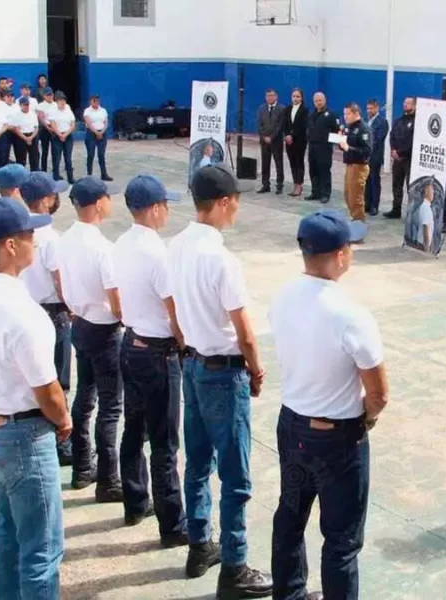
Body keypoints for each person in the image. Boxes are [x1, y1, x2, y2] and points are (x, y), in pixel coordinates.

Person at [269, 209, 389, 600]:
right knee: (341, 541)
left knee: (290, 517)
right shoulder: (350, 313)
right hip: (338, 440)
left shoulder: (283, 296)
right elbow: (378, 393)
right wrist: (367, 419)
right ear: (340, 255)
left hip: (292, 427)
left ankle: (288, 593)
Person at [167, 164, 272, 597]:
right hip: (222, 372)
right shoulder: (222, 259)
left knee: (197, 462)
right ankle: (235, 564)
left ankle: (199, 544)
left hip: (191, 364)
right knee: (235, 475)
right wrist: (257, 368)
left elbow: (172, 306)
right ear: (225, 202)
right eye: (235, 202)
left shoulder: (175, 246)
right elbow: (244, 330)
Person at [0, 198, 70, 598]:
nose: (36, 243)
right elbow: (48, 389)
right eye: (30, 236)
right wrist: (62, 420)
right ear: (10, 245)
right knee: (42, 551)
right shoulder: (22, 312)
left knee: (8, 535)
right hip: (23, 435)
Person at [114, 175, 189, 546]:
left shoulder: (121, 244)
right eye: (166, 204)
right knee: (164, 441)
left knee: (134, 427)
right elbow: (173, 310)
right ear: (155, 208)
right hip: (159, 353)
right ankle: (173, 525)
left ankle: (134, 501)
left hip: (131, 344)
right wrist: (184, 344)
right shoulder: (159, 252)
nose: (168, 211)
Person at [58, 176, 124, 501]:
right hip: (105, 329)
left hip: (80, 324)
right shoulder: (102, 248)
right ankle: (109, 479)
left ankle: (82, 467)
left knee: (85, 397)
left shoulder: (66, 239)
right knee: (111, 407)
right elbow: (116, 300)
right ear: (98, 203)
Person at [19, 172, 73, 467]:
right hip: (52, 313)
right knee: (57, 382)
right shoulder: (50, 236)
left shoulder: (18, 230)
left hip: (27, 308)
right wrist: (72, 306)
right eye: (53, 195)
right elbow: (59, 280)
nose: (56, 200)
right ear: (44, 201)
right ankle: (61, 446)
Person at [339, 103, 372, 225]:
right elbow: (345, 146)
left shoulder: (364, 129)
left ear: (356, 113)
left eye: (348, 114)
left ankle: (359, 223)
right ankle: (355, 219)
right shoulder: (349, 127)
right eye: (344, 114)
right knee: (348, 195)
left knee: (355, 197)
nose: (345, 117)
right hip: (349, 165)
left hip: (359, 166)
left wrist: (349, 148)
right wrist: (340, 140)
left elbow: (367, 151)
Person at [384, 97, 416, 219]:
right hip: (397, 160)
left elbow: (412, 141)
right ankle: (396, 209)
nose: (405, 105)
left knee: (410, 187)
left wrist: (401, 153)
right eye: (404, 103)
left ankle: (412, 213)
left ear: (414, 105)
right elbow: (392, 136)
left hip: (409, 160)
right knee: (396, 185)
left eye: (408, 103)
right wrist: (393, 150)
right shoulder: (399, 121)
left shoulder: (417, 122)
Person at [305, 92, 339, 204]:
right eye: (316, 101)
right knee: (313, 170)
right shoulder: (312, 115)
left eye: (320, 100)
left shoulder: (331, 115)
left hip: (324, 148)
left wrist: (331, 145)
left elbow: (337, 131)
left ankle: (325, 194)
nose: (318, 103)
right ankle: (315, 192)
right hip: (313, 147)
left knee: (324, 171)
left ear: (325, 100)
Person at [256, 89, 286, 195]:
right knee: (265, 163)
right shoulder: (261, 108)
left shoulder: (282, 109)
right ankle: (265, 184)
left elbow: (280, 126)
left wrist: (271, 137)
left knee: (278, 163)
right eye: (268, 96)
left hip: (276, 141)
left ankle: (279, 185)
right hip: (264, 141)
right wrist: (264, 136)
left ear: (276, 96)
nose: (270, 98)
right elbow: (259, 124)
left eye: (272, 95)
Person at [364, 99, 388, 216]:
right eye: (368, 108)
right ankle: (367, 203)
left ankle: (374, 205)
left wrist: (366, 141)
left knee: (374, 180)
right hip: (365, 156)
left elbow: (378, 139)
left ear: (377, 108)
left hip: (375, 156)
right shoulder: (365, 121)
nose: (369, 111)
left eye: (371, 108)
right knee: (366, 180)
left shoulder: (382, 122)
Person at [284, 88, 308, 198]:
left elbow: (302, 126)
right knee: (292, 162)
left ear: (301, 98)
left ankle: (299, 184)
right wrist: (287, 135)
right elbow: (285, 123)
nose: (296, 98)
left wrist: (292, 135)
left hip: (299, 140)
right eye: (294, 96)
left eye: (298, 96)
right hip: (289, 141)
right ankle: (294, 184)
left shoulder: (305, 110)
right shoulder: (287, 109)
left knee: (299, 162)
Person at [84, 94, 113, 181]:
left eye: (97, 100)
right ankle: (89, 174)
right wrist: (96, 132)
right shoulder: (87, 111)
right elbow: (88, 123)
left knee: (101, 155)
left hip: (102, 134)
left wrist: (102, 132)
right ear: (91, 101)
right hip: (91, 134)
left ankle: (104, 174)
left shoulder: (103, 110)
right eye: (94, 100)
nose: (96, 102)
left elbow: (106, 122)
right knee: (91, 154)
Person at [49, 91, 76, 183]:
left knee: (68, 158)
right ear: (57, 101)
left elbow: (72, 124)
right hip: (57, 136)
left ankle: (70, 177)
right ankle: (56, 176)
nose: (62, 102)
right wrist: (60, 134)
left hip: (67, 136)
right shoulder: (53, 111)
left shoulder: (68, 110)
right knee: (57, 157)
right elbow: (53, 124)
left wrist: (65, 134)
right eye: (60, 100)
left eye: (64, 100)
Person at [10, 97, 40, 171]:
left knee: (34, 157)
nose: (27, 106)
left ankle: (34, 174)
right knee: (21, 158)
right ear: (20, 105)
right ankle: (22, 176)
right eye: (25, 105)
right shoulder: (16, 115)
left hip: (32, 136)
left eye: (28, 105)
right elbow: (16, 129)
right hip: (21, 137)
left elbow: (36, 127)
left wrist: (31, 137)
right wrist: (25, 138)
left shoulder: (33, 113)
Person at [37, 88, 56, 173]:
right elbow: (41, 118)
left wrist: (54, 128)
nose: (49, 96)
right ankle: (44, 170)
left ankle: (55, 171)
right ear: (44, 96)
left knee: (55, 151)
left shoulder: (56, 104)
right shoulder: (41, 105)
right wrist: (48, 128)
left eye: (51, 94)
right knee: (45, 151)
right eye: (47, 95)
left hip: (55, 128)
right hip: (45, 128)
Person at [0, 90, 18, 167]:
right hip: (5, 131)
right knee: (4, 153)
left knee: (18, 152)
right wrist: (9, 127)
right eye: (8, 96)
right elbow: (1, 120)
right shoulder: (1, 107)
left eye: (12, 96)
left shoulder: (16, 106)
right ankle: (2, 170)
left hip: (16, 131)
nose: (10, 98)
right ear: (4, 98)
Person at [416, 179, 436, 253]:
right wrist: (426, 248)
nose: (434, 192)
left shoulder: (426, 206)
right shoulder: (426, 208)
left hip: (423, 244)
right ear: (426, 191)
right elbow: (425, 228)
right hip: (423, 245)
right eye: (432, 190)